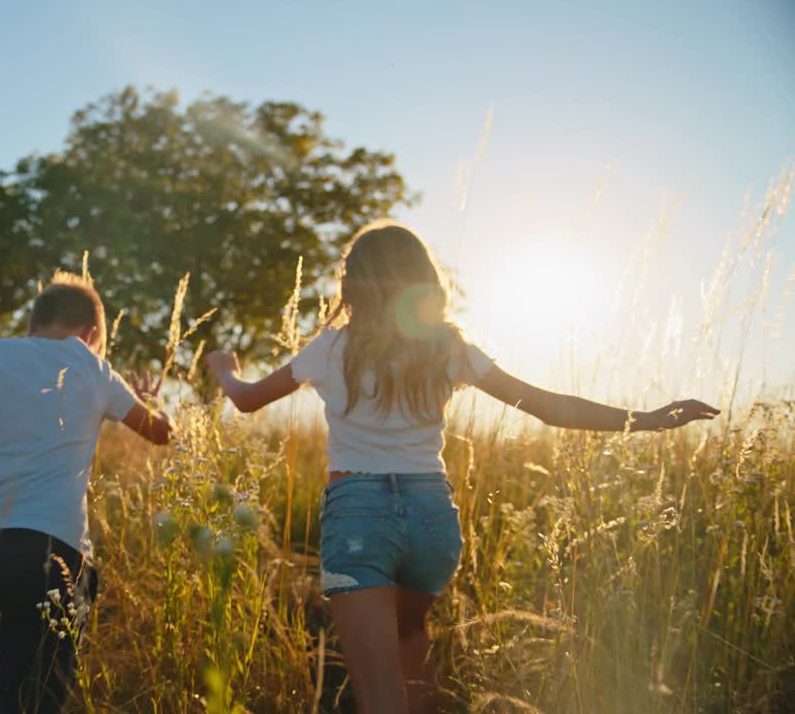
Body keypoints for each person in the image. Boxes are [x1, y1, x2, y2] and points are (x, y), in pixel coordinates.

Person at [204, 221, 717, 714]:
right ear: (423, 282)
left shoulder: (330, 348)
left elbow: (248, 401)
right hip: (433, 520)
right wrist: (650, 419)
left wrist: (226, 371)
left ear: (352, 283)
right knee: (411, 650)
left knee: (381, 699)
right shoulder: (447, 349)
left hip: (358, 517)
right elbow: (546, 406)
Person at [0, 271, 173, 713]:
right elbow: (160, 433)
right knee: (36, 695)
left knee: (18, 666)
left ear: (31, 325)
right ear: (91, 334)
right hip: (49, 551)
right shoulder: (95, 367)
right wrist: (149, 399)